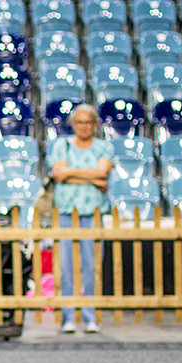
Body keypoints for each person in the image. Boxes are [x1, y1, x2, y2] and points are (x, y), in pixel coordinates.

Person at [50, 103, 114, 334]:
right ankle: (67, 317)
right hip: (67, 211)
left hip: (93, 212)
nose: (84, 127)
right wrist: (92, 179)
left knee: (92, 266)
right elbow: (58, 174)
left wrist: (71, 173)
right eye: (79, 122)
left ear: (95, 125)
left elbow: (102, 172)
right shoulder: (61, 144)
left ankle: (90, 317)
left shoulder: (104, 147)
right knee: (66, 267)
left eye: (88, 122)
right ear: (73, 125)